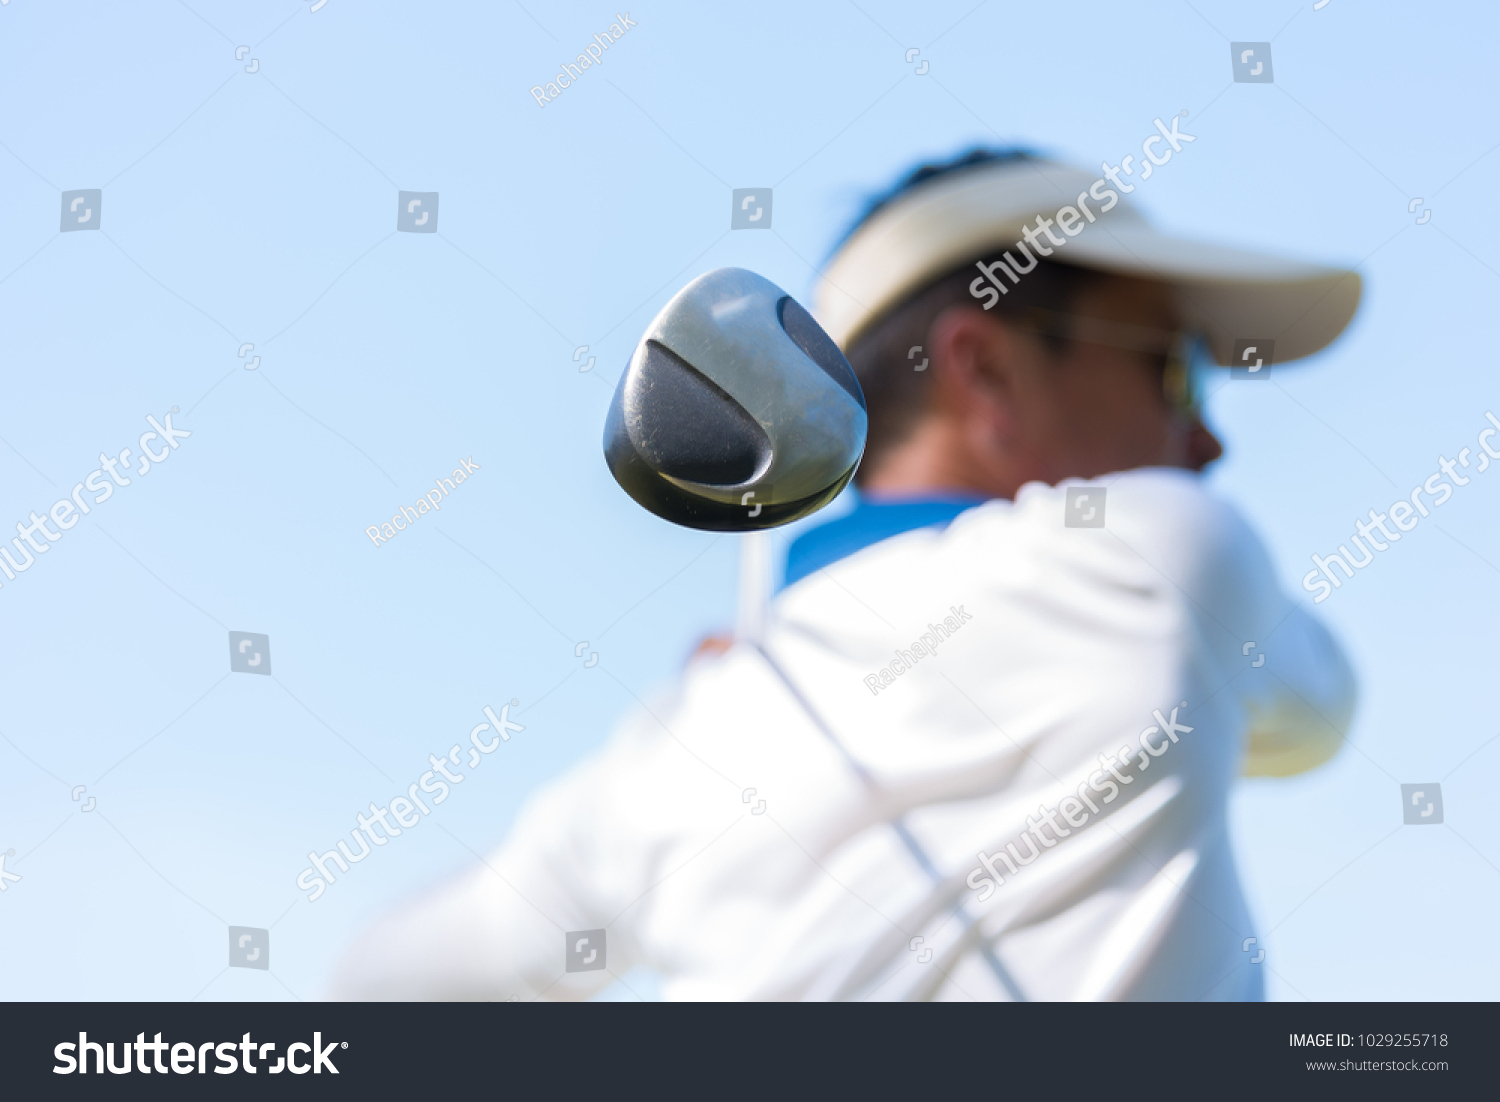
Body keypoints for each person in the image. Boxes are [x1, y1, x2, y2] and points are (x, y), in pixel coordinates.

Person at [330, 149, 1359, 1001]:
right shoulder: (1166, 550)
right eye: (1174, 368)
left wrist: (716, 709)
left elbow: (382, 982)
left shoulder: (684, 739)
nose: (1208, 437)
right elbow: (1324, 710)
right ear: (987, 369)